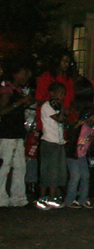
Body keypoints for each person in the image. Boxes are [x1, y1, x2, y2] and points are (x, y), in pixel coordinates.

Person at [0, 64, 35, 207]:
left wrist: (25, 102)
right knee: (4, 167)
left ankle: (18, 198)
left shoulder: (19, 91)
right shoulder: (6, 90)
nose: (25, 77)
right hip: (7, 134)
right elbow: (2, 111)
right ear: (15, 75)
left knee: (20, 166)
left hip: (17, 133)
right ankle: (2, 198)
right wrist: (20, 102)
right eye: (23, 73)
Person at [35, 82, 69, 209]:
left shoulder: (57, 106)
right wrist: (62, 110)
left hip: (58, 142)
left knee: (58, 171)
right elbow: (60, 119)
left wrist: (63, 108)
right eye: (60, 93)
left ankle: (52, 196)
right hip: (49, 142)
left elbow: (65, 117)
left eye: (63, 94)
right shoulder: (47, 106)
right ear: (52, 93)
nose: (62, 96)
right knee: (49, 171)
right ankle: (44, 197)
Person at [62, 108, 94, 208]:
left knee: (85, 176)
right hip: (73, 154)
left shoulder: (92, 128)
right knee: (75, 176)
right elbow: (70, 135)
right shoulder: (80, 125)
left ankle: (83, 199)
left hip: (82, 155)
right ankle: (69, 200)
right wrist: (76, 126)